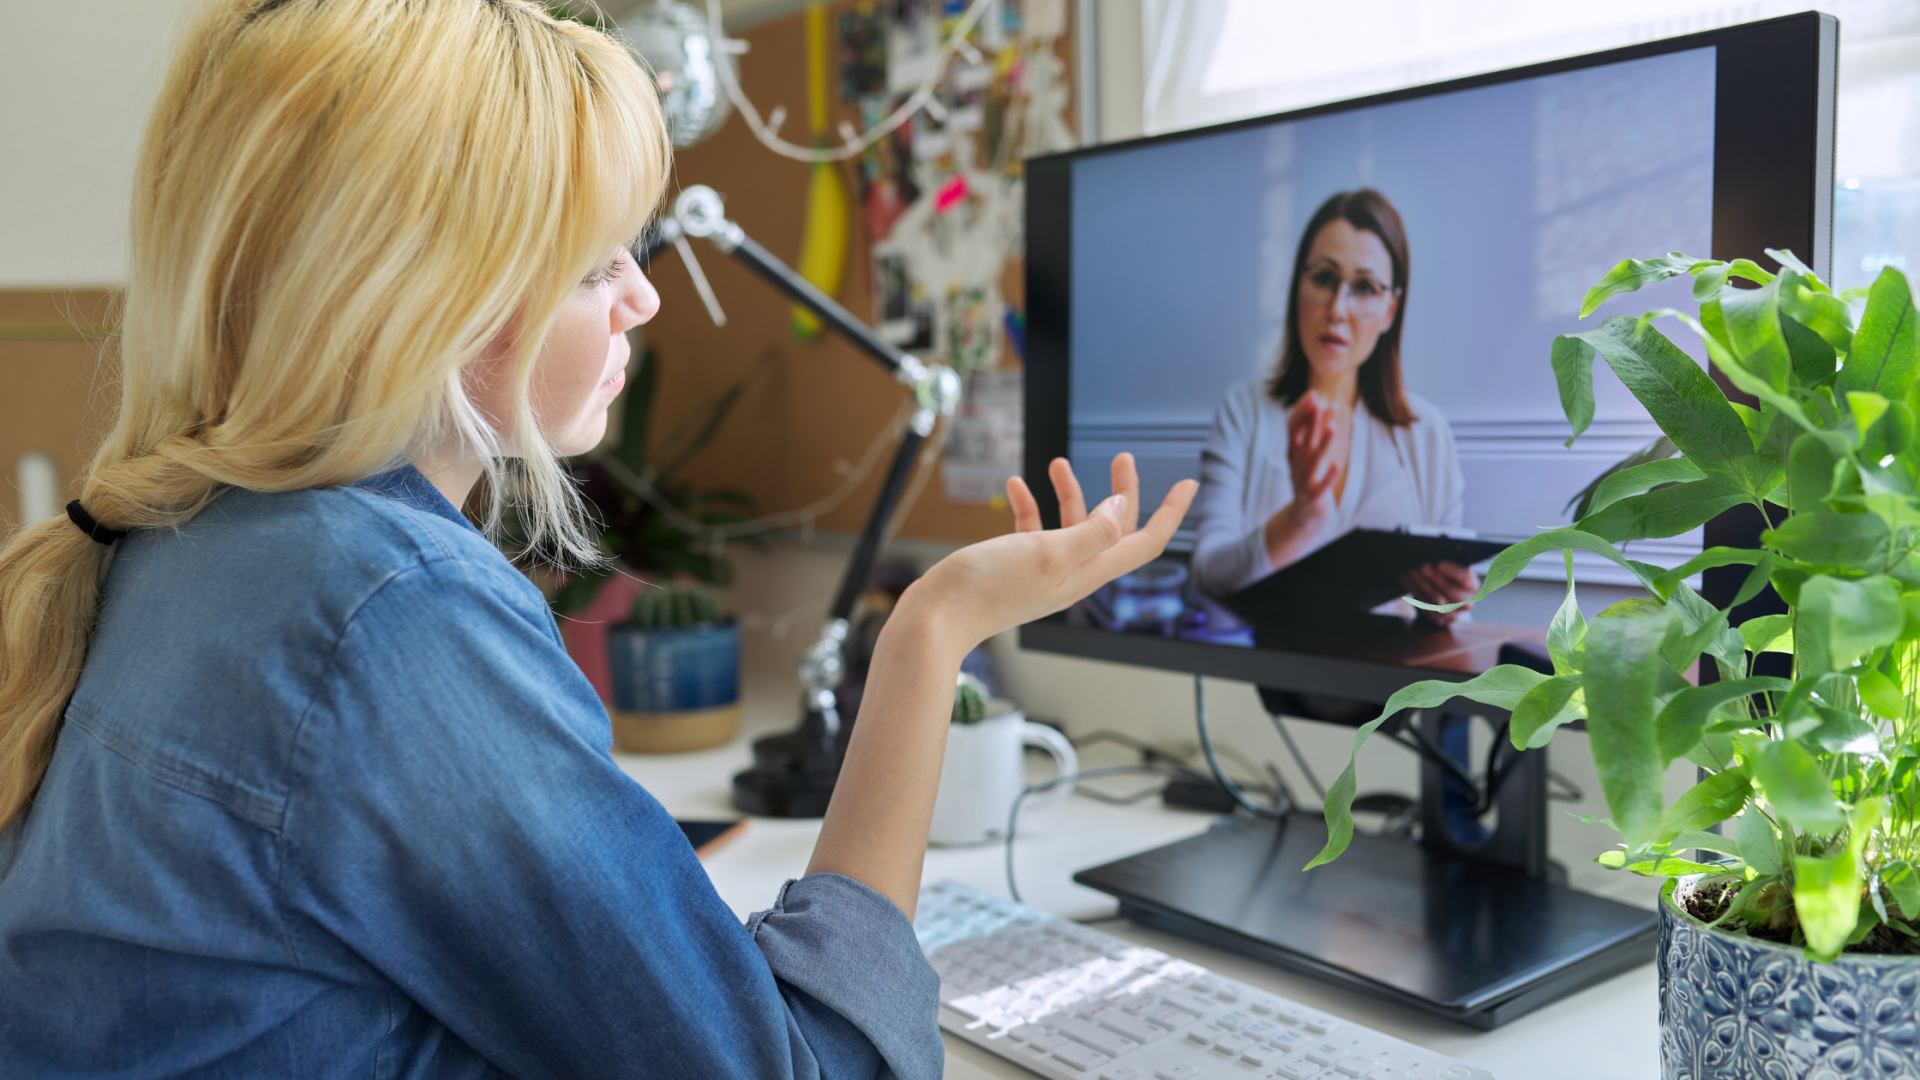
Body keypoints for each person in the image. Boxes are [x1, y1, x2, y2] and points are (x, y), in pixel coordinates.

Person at [0, 2, 1196, 1075]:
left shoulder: (190, 541)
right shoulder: (383, 604)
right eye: (596, 264)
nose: (647, 295)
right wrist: (933, 630)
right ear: (428, 300)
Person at [1190, 189, 1475, 625]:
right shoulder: (1242, 412)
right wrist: (1299, 519)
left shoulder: (1428, 434)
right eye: (1324, 278)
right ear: (1298, 286)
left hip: (1393, 687)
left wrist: (1447, 607)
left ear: (1389, 309)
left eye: (1364, 287)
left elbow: (1455, 620)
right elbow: (1207, 575)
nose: (1337, 309)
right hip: (1278, 678)